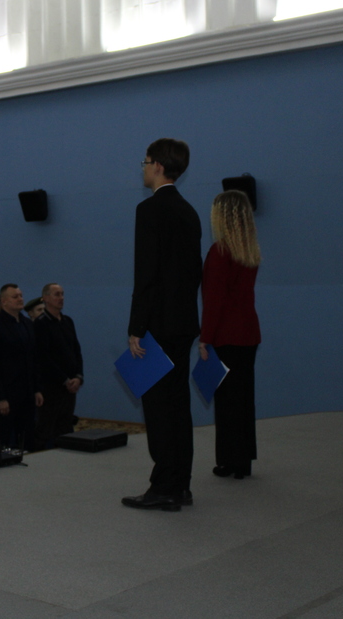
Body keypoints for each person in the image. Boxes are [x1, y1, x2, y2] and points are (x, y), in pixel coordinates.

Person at [122, 138, 202, 512]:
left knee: (158, 410)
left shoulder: (149, 210)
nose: (142, 168)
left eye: (145, 161)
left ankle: (164, 487)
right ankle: (181, 484)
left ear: (157, 166)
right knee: (178, 406)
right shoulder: (189, 211)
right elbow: (193, 273)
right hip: (183, 323)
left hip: (157, 324)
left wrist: (136, 327)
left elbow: (146, 274)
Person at [198, 190, 261, 480]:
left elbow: (214, 301)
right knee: (244, 399)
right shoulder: (249, 251)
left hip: (226, 334)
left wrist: (205, 338)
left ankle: (229, 460)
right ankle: (243, 460)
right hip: (249, 333)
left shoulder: (220, 252)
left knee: (226, 402)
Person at [0, 283, 44, 449]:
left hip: (27, 393)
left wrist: (37, 389)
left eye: (21, 296)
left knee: (27, 439)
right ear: (4, 301)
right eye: (15, 297)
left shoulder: (27, 324)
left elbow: (34, 359)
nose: (20, 299)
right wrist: (0, 397)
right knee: (2, 441)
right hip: (7, 395)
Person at [34, 283, 84, 449]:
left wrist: (78, 377)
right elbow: (43, 358)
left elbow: (77, 351)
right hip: (52, 387)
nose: (61, 298)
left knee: (65, 427)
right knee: (47, 428)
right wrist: (64, 379)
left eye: (62, 294)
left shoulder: (68, 321)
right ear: (46, 298)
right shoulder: (41, 324)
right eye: (57, 294)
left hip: (70, 388)